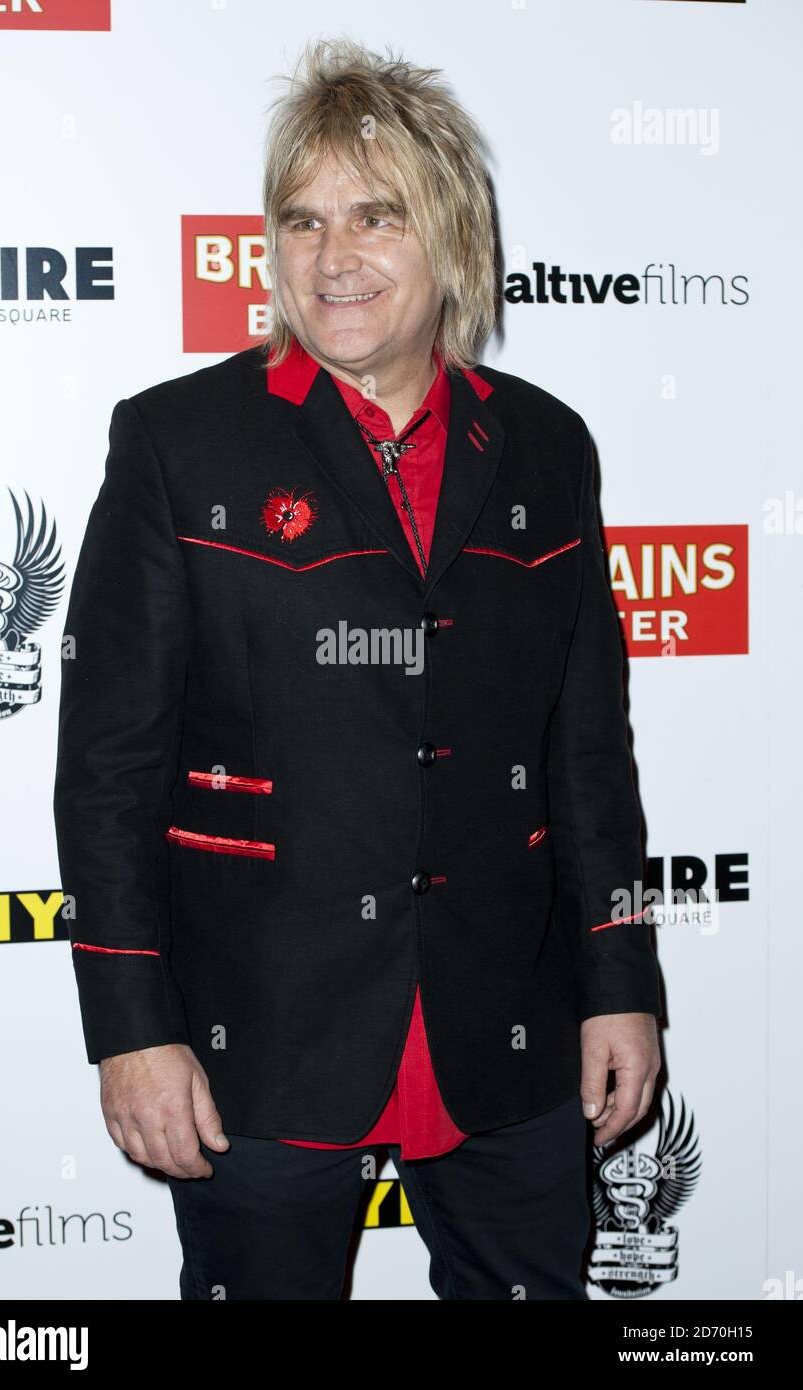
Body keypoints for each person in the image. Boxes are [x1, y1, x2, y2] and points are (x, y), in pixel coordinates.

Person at [53, 37, 662, 1301]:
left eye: (374, 217)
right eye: (302, 220)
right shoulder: (177, 444)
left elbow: (587, 752)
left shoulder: (546, 447)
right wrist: (132, 1028)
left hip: (505, 1029)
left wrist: (620, 984)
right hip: (257, 1042)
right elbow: (108, 770)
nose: (332, 259)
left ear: (449, 236)